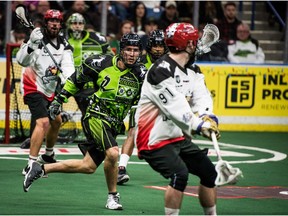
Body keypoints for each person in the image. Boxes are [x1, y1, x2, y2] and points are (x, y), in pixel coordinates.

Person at [22, 33, 147, 211]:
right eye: (128, 49)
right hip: (95, 116)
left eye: (136, 50)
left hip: (114, 123)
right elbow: (75, 80)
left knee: (88, 166)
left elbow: (141, 102)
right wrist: (59, 100)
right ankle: (113, 196)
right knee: (112, 153)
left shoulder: (142, 74)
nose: (132, 54)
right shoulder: (100, 63)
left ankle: (40, 169)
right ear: (121, 50)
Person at [134, 23, 220, 215]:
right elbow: (177, 109)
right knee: (179, 175)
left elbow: (202, 97)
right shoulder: (160, 71)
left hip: (176, 138)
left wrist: (208, 115)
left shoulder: (193, 70)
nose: (198, 44)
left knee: (209, 173)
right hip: (153, 140)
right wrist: (200, 125)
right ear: (188, 45)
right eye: (195, 41)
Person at [16, 10, 74, 174]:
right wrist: (32, 45)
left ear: (60, 24)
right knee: (43, 122)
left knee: (56, 120)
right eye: (51, 21)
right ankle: (31, 164)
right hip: (32, 85)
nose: (54, 24)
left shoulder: (64, 43)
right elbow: (21, 60)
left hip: (49, 88)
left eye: (57, 21)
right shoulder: (35, 37)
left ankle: (48, 155)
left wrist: (67, 78)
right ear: (46, 22)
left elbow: (68, 65)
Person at [117, 29, 169, 185]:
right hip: (140, 103)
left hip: (161, 102)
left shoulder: (168, 63)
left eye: (161, 45)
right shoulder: (139, 61)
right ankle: (121, 168)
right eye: (155, 45)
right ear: (150, 46)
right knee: (133, 133)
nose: (158, 49)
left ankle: (188, 159)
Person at [65, 12, 113, 140]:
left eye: (80, 23)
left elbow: (110, 57)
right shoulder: (62, 40)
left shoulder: (98, 39)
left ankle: (92, 138)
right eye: (74, 23)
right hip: (70, 82)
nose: (77, 26)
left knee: (89, 112)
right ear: (68, 25)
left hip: (92, 85)